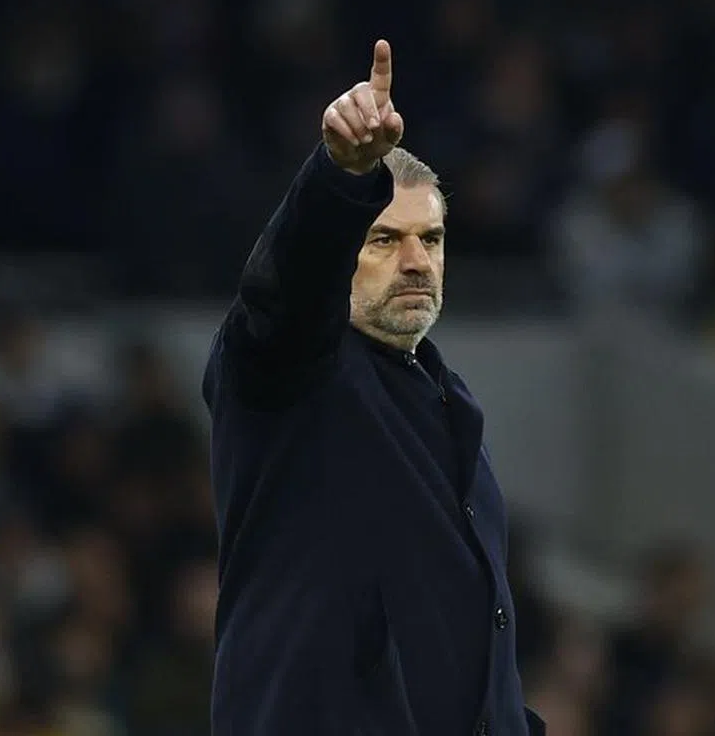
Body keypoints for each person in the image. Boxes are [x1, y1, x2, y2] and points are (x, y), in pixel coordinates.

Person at [201, 39, 545, 735]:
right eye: (384, 240)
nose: (418, 262)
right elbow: (286, 292)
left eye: (433, 238)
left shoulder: (449, 402)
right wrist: (338, 178)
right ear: (341, 251)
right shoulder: (294, 371)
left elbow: (463, 649)